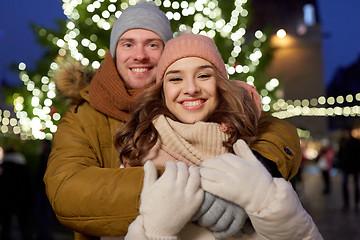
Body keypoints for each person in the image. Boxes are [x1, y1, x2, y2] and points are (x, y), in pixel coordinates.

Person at [44, 1, 301, 240]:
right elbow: (67, 190)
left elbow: (278, 132)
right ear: (114, 52)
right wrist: (192, 193)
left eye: (153, 44)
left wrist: (255, 170)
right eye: (128, 44)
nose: (140, 55)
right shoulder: (83, 114)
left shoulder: (192, 97)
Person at [117, 33, 322, 240]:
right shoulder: (138, 151)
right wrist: (155, 232)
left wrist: (265, 203)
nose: (191, 89)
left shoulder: (250, 148)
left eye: (204, 75)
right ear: (162, 92)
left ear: (221, 84)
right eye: (176, 78)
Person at [337, 127, 360, 211]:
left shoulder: (355, 142)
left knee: (356, 185)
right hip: (346, 167)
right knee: (345, 184)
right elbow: (340, 154)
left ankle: (356, 202)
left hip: (354, 166)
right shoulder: (343, 141)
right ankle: (346, 203)